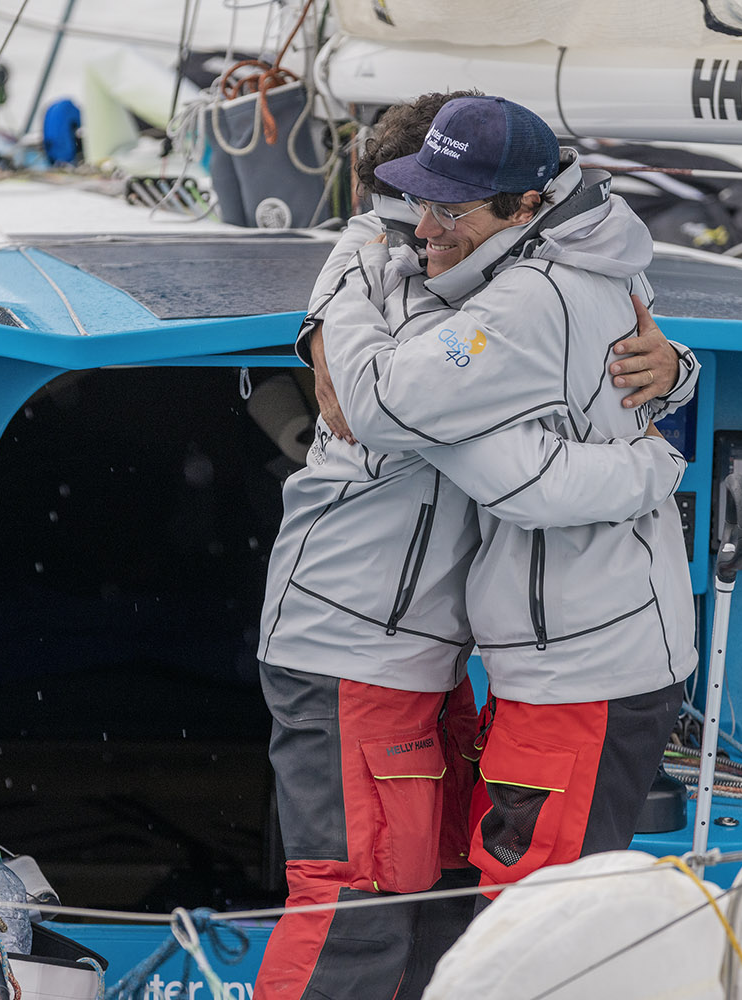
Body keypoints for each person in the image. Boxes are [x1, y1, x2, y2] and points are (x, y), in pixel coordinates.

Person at [254, 94, 697, 1000]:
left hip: (435, 651)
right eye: (408, 204)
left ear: (521, 210)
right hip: (355, 640)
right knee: (359, 897)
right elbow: (391, 415)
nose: (423, 230)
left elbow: (569, 367)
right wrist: (657, 468)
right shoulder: (372, 264)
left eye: (447, 209)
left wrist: (672, 376)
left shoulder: (524, 285)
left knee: (447, 894)